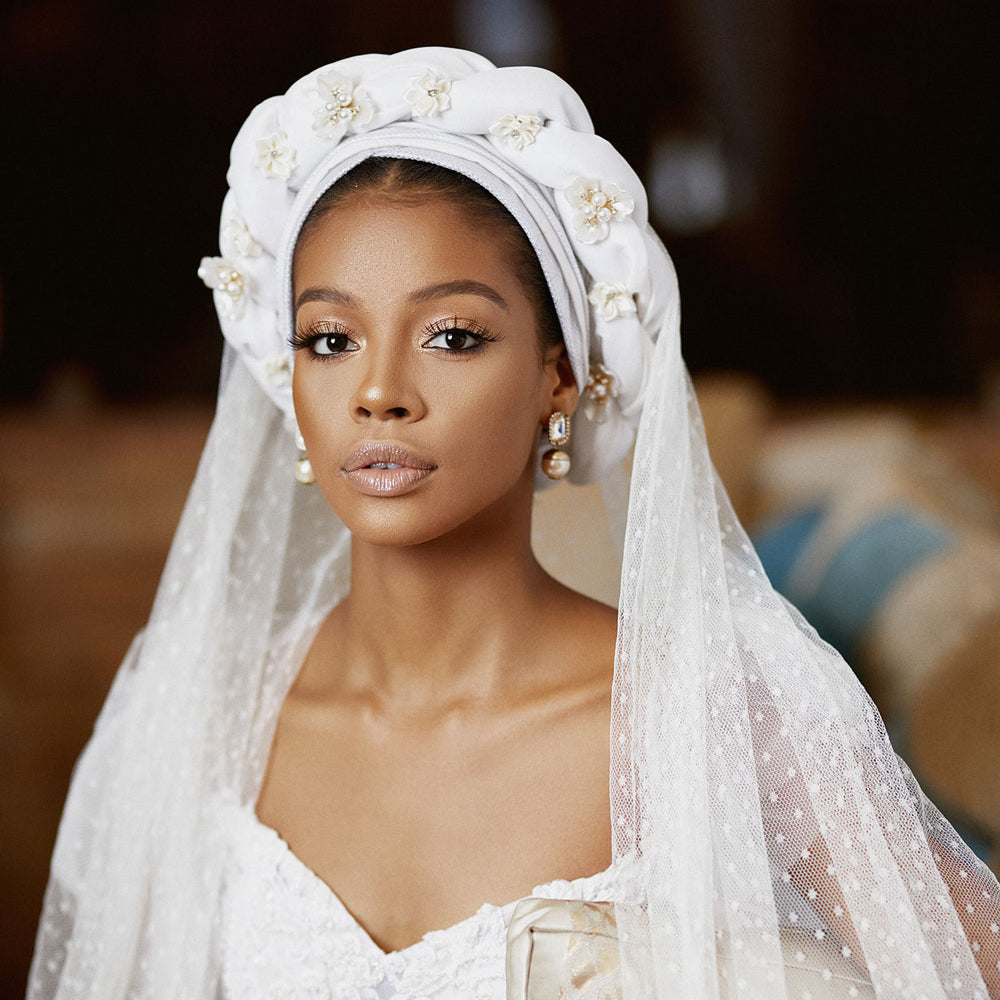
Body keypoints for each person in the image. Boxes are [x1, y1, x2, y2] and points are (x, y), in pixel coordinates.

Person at [27, 46, 1000, 1000]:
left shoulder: (707, 709)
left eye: (452, 336)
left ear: (558, 377)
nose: (377, 391)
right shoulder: (204, 708)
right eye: (330, 339)